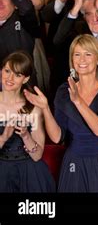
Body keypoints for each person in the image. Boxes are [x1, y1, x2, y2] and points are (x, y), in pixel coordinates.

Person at [25, 35, 98, 192]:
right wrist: (46, 108)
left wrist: (77, 101)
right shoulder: (63, 91)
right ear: (72, 60)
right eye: (77, 54)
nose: (82, 59)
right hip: (75, 164)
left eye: (88, 54)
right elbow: (57, 137)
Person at [0, 51, 55, 192]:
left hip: (30, 173)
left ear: (25, 79)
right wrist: (3, 137)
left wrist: (26, 136)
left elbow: (37, 156)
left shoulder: (34, 108)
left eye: (17, 75)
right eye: (7, 71)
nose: (10, 78)